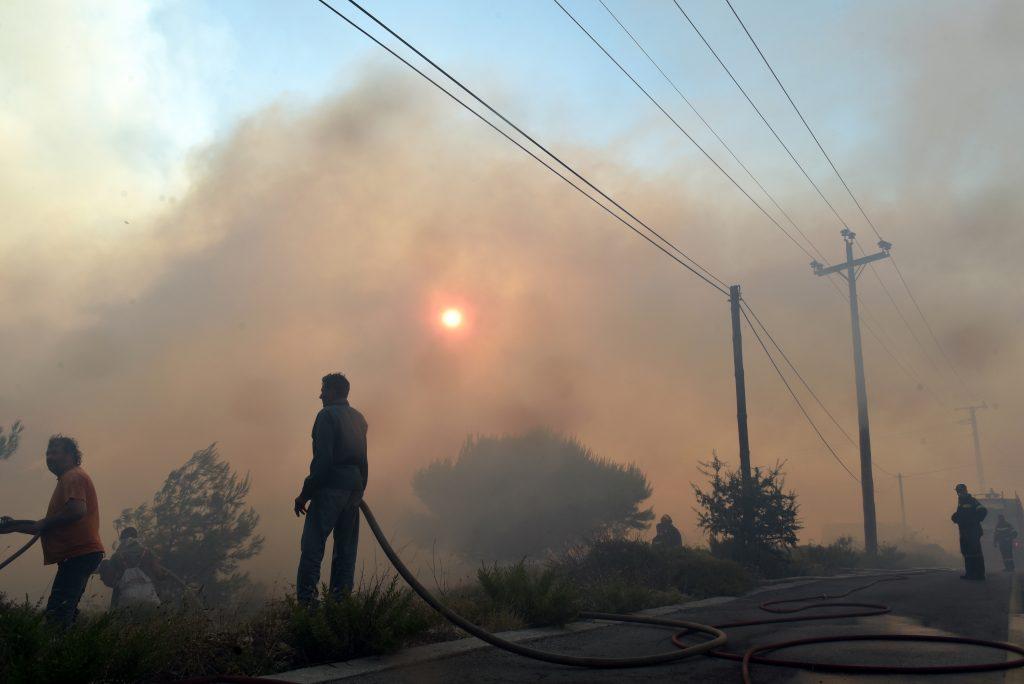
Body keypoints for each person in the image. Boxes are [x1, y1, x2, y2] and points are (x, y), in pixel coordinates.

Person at [2, 435, 105, 625]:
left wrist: (41, 524)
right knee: (64, 609)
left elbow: (76, 510)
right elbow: (44, 526)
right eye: (47, 453)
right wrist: (13, 526)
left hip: (79, 554)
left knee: (57, 614)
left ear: (71, 455)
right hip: (79, 555)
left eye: (55, 452)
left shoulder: (72, 476)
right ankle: (69, 647)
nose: (49, 457)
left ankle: (59, 650)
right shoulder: (67, 480)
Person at [294, 372, 368, 604]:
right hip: (354, 489)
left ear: (335, 391)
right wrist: (359, 489)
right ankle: (341, 603)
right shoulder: (358, 418)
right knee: (346, 550)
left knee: (312, 547)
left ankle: (307, 606)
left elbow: (323, 460)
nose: (320, 395)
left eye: (324, 390)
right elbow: (363, 460)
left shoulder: (326, 416)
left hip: (330, 488)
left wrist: (305, 494)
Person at [98, 527, 182, 609]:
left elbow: (109, 580)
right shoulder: (147, 552)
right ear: (136, 538)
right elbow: (159, 575)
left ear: (122, 540)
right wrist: (164, 574)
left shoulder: (116, 556)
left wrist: (103, 568)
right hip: (150, 597)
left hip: (126, 599)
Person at [951, 483, 987, 581]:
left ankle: (979, 575)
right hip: (964, 533)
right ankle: (970, 573)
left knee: (975, 553)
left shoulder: (972, 500)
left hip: (972, 532)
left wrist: (974, 521)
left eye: (960, 491)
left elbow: (983, 511)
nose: (959, 493)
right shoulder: (961, 502)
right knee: (966, 553)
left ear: (965, 491)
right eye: (958, 492)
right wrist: (955, 517)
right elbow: (962, 515)